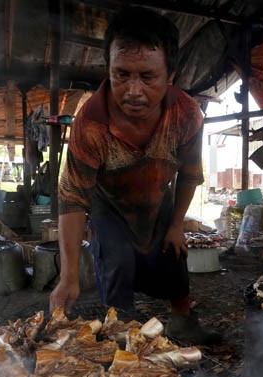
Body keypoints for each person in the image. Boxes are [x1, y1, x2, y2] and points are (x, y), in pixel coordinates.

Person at [49, 6, 221, 345]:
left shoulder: (186, 115)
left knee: (174, 257)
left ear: (170, 74)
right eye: (122, 74)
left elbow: (189, 175)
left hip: (159, 200)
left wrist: (176, 226)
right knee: (118, 263)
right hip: (109, 206)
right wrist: (68, 276)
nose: (133, 91)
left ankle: (184, 322)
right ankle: (123, 339)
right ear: (108, 69)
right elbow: (72, 197)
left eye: (147, 76)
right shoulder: (92, 123)